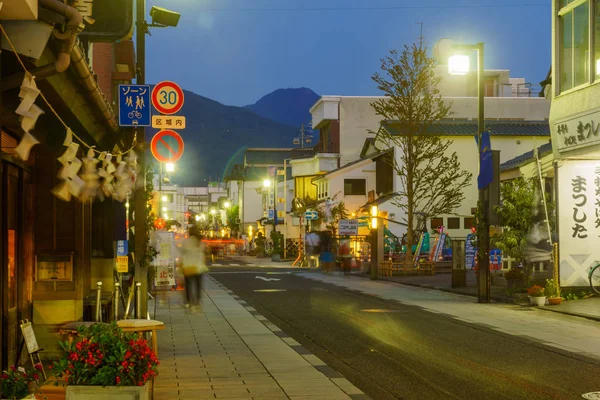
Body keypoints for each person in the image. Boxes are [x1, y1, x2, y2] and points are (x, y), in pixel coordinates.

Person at [181, 227, 209, 312]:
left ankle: (189, 302)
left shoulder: (186, 242)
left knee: (188, 285)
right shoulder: (201, 243)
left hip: (188, 267)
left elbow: (182, 254)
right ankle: (197, 303)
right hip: (198, 267)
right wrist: (204, 264)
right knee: (198, 286)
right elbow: (204, 255)